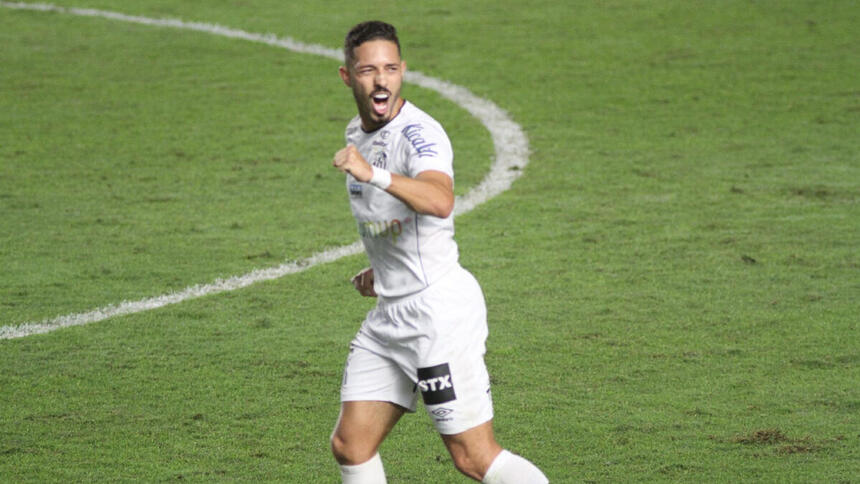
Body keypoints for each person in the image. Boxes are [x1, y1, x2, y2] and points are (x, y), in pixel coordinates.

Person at [330, 20, 549, 484]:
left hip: (436, 317)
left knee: (474, 458)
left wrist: (374, 175)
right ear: (348, 76)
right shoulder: (359, 130)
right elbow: (396, 218)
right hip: (392, 313)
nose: (381, 79)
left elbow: (439, 200)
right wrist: (383, 268)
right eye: (368, 70)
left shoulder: (420, 135)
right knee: (352, 445)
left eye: (390, 68)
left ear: (403, 71)